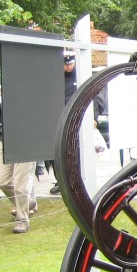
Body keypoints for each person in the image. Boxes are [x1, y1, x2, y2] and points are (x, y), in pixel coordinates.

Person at [0, 83, 37, 233]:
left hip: (27, 141)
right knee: (3, 182)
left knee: (20, 185)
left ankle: (23, 220)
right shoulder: (0, 85)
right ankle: (28, 202)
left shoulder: (27, 87)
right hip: (7, 142)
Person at [49, 53, 77, 196]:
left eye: (71, 63)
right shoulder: (55, 77)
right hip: (57, 119)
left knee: (73, 152)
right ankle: (60, 181)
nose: (69, 66)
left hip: (74, 119)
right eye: (66, 64)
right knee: (56, 153)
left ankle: (73, 181)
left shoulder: (79, 75)